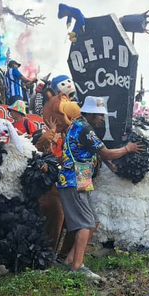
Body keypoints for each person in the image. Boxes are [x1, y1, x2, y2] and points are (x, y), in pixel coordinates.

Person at [56, 97, 142, 280]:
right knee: (85, 224)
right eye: (100, 115)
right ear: (90, 114)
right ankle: (77, 267)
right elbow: (106, 152)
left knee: (92, 223)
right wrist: (128, 149)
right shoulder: (86, 129)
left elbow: (91, 152)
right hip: (75, 179)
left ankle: (70, 260)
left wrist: (108, 164)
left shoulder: (77, 125)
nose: (103, 119)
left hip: (80, 177)